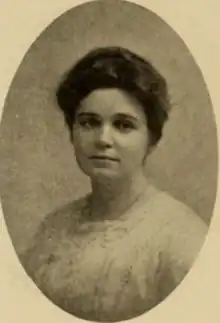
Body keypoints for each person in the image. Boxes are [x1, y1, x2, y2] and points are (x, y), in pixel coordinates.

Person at [21, 47, 207, 322]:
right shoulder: (52, 231)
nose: (103, 139)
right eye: (89, 123)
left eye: (123, 125)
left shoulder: (182, 241)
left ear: (151, 140)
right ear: (72, 132)